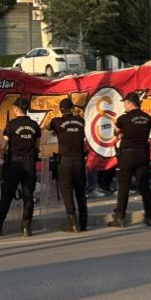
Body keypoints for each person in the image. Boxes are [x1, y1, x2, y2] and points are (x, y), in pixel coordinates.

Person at [0, 97, 40, 236]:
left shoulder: (11, 125)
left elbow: (3, 146)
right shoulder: (35, 125)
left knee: (7, 196)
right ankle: (26, 227)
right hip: (29, 164)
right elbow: (37, 147)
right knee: (28, 196)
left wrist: (2, 158)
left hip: (14, 164)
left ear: (17, 109)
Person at [108, 93, 151, 228]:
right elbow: (141, 133)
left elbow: (116, 133)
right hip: (143, 154)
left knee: (124, 187)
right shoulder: (147, 118)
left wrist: (116, 126)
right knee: (145, 187)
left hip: (127, 155)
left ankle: (120, 218)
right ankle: (150, 217)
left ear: (129, 103)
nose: (124, 105)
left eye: (124, 103)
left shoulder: (123, 118)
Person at [51, 99, 88, 232]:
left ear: (60, 109)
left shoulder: (56, 122)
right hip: (79, 160)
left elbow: (45, 128)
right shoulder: (81, 121)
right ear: (72, 108)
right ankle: (83, 222)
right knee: (80, 191)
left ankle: (73, 223)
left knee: (67, 192)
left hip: (65, 161)